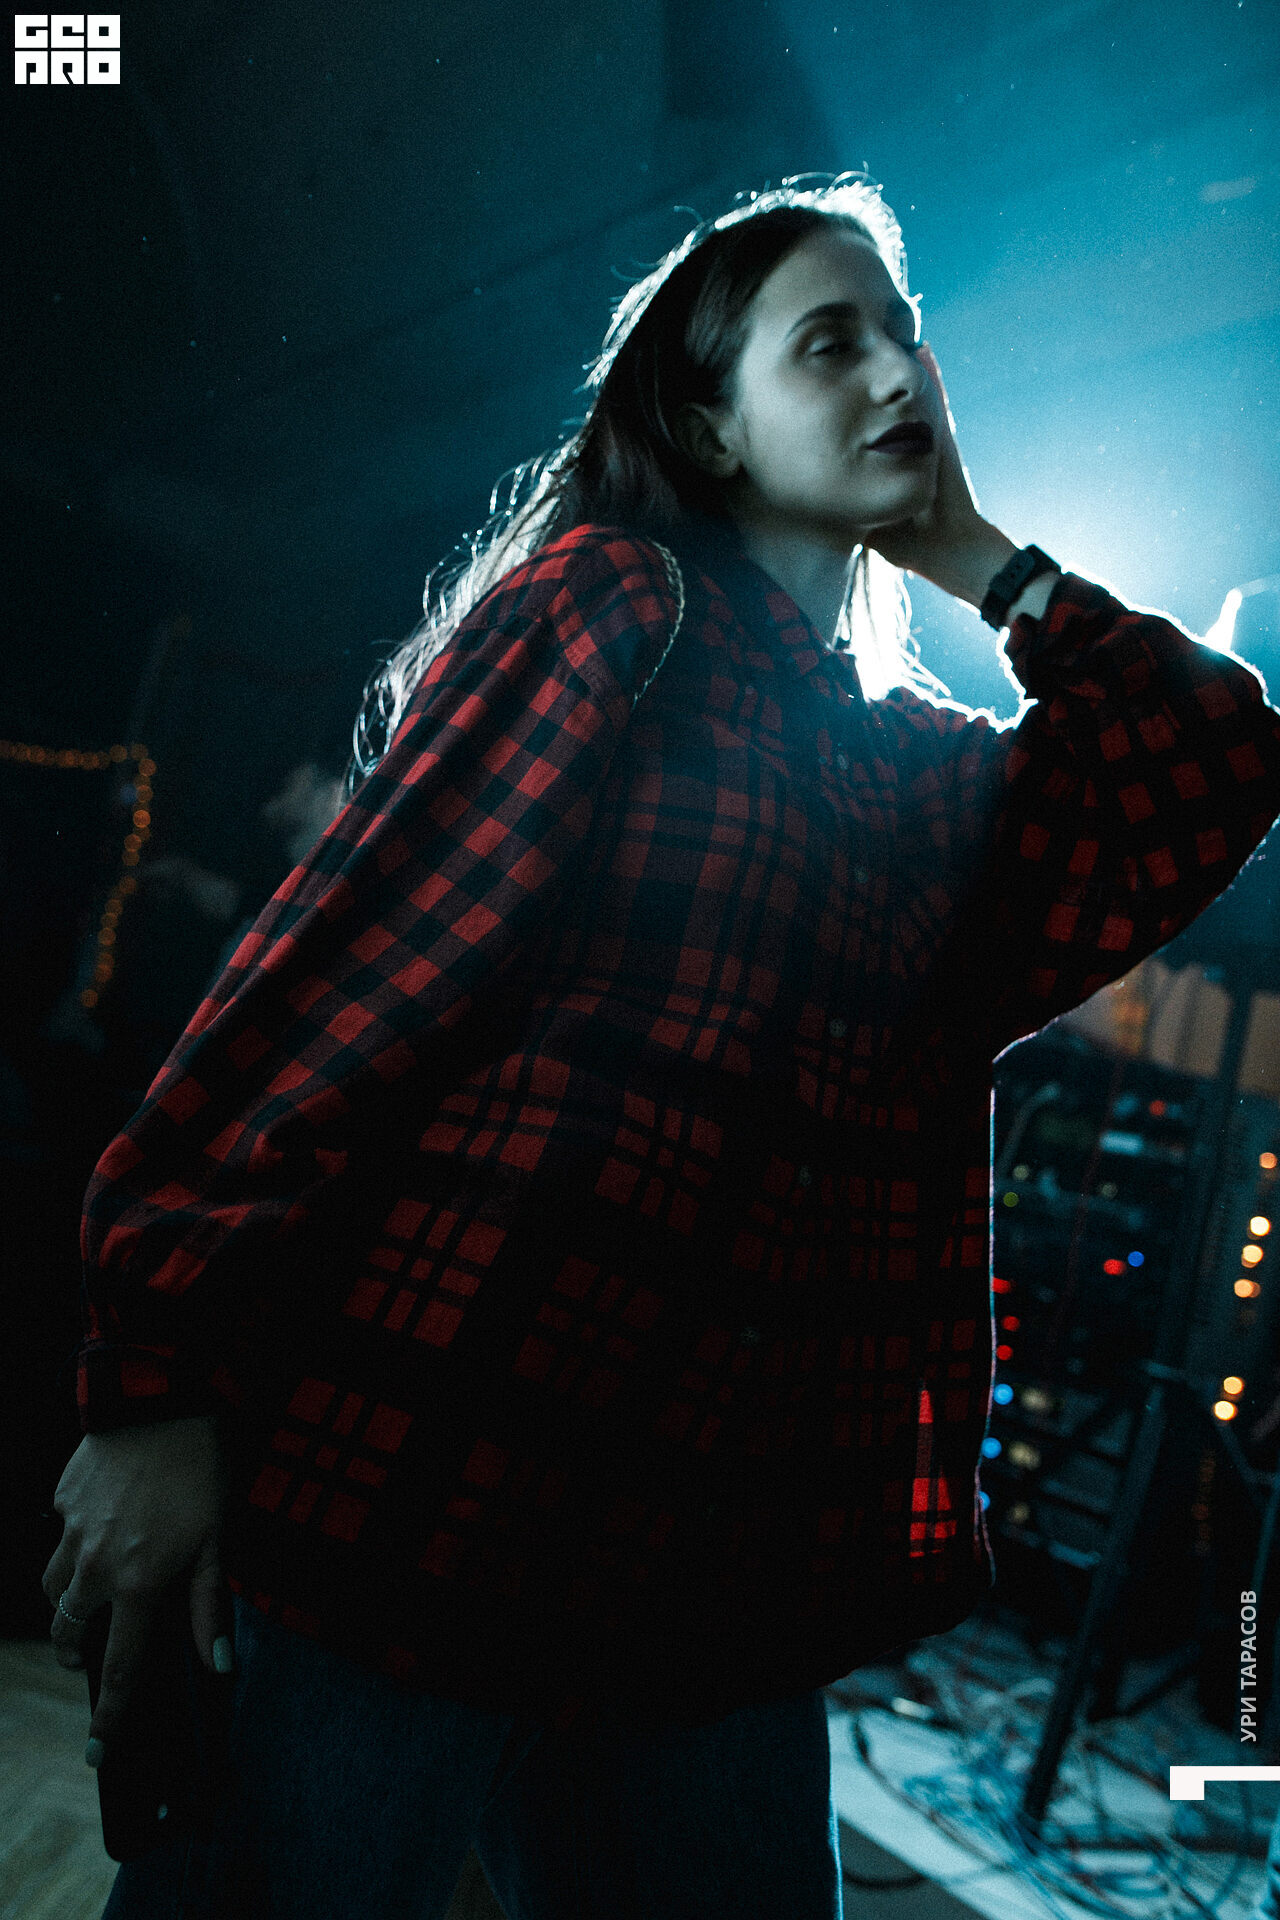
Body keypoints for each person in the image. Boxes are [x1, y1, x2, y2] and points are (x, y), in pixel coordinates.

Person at [42, 172, 1280, 1919]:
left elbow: (1213, 758)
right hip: (427, 1488)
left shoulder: (918, 775)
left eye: (907, 335)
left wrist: (978, 558)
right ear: (705, 423)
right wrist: (157, 1387)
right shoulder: (621, 607)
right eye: (828, 341)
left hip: (714, 1578)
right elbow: (339, 978)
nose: (897, 372)